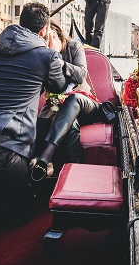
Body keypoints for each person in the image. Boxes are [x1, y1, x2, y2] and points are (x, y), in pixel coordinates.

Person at [0, 2, 68, 221]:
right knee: (29, 208)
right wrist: (54, 54)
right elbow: (59, 86)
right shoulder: (47, 56)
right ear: (44, 30)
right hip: (4, 148)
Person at [32, 22, 94, 180]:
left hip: (83, 102)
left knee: (72, 100)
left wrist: (56, 59)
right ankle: (71, 171)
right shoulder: (41, 53)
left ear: (54, 33)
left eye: (46, 38)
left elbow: (81, 75)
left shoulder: (74, 46)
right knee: (60, 123)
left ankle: (46, 157)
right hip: (57, 106)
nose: (44, 43)